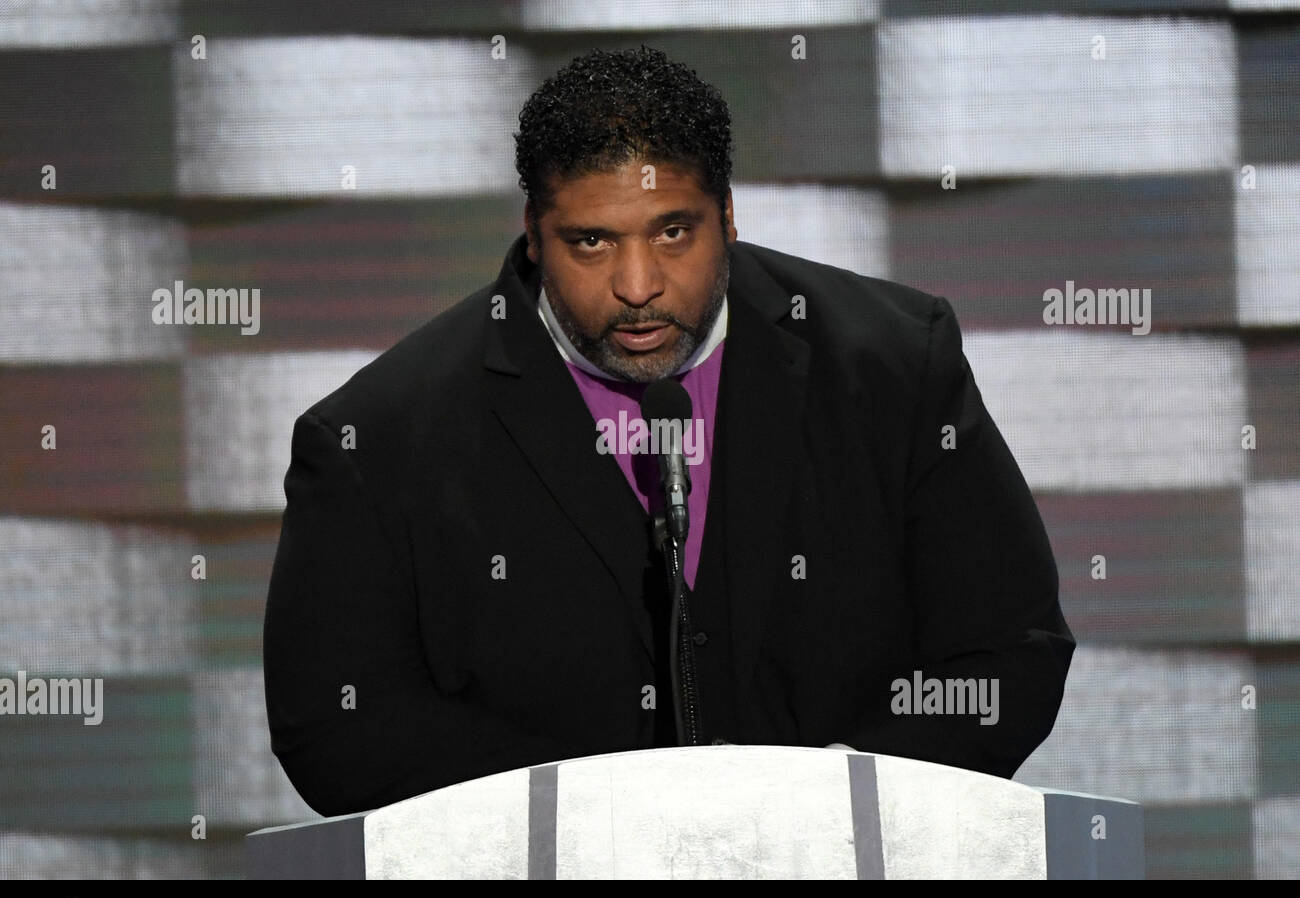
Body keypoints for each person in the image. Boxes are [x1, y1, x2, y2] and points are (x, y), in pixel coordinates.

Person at [262, 46, 1075, 818]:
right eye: (591, 243)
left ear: (727, 212)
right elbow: (335, 724)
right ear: (533, 234)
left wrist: (827, 814)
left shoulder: (893, 364)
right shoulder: (377, 441)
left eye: (673, 232)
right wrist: (599, 827)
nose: (639, 286)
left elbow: (1010, 652)